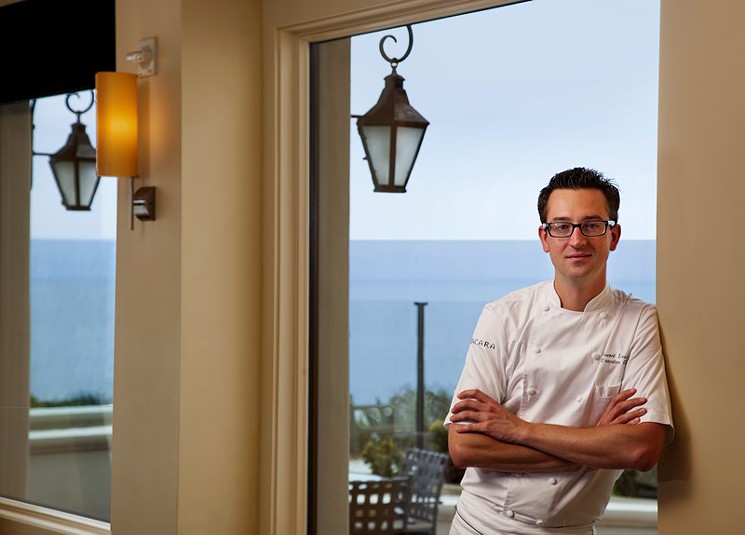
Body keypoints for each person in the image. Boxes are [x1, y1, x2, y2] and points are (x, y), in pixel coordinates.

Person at [445, 167, 673, 534]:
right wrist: (593, 444)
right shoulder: (503, 316)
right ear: (545, 238)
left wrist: (517, 429)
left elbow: (640, 450)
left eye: (592, 225)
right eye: (562, 226)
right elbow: (464, 447)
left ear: (613, 236)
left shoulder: (638, 321)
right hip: (482, 526)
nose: (577, 240)